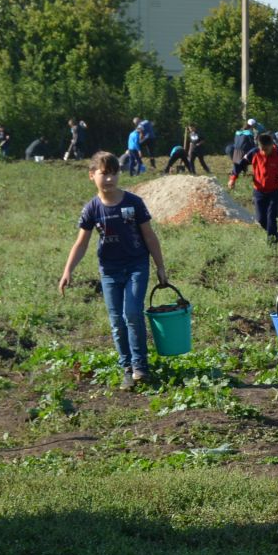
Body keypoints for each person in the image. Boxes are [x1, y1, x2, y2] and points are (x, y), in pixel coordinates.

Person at [58, 152, 171, 387]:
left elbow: (149, 235)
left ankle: (141, 366)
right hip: (109, 270)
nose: (109, 179)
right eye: (104, 174)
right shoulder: (92, 208)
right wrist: (68, 270)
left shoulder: (133, 202)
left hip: (136, 266)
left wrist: (160, 267)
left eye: (113, 173)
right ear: (92, 175)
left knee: (132, 313)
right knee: (116, 321)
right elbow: (81, 242)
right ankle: (126, 368)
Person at [229, 131, 278, 242]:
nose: (264, 152)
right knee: (260, 219)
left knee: (271, 218)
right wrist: (233, 178)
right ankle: (276, 235)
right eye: (262, 150)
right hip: (259, 191)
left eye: (267, 150)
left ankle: (272, 242)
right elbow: (240, 165)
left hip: (274, 191)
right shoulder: (254, 153)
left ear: (272, 145)